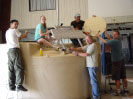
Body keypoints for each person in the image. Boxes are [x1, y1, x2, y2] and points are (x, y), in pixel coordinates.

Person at [97, 30, 128, 95]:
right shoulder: (117, 41)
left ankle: (118, 91)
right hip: (121, 61)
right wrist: (105, 32)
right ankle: (126, 90)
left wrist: (99, 36)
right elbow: (109, 38)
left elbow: (105, 41)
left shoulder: (114, 41)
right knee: (124, 76)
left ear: (118, 35)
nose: (113, 35)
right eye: (113, 34)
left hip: (116, 62)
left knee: (117, 77)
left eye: (115, 34)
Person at [5, 19, 28, 91]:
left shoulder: (7, 31)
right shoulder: (15, 30)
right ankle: (19, 85)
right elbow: (23, 36)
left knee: (11, 69)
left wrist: (20, 37)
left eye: (17, 24)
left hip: (9, 51)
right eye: (15, 24)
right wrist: (26, 33)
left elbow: (17, 38)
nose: (17, 25)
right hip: (15, 51)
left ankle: (11, 86)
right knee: (19, 67)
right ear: (11, 24)